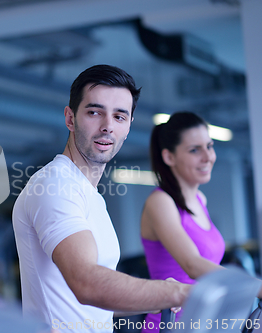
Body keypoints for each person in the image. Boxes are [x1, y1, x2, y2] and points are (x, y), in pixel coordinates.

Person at [12, 65, 190, 333]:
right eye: (95, 112)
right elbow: (86, 284)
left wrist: (153, 296)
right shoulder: (54, 185)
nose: (107, 126)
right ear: (70, 119)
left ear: (129, 126)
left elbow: (95, 300)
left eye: (119, 117)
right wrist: (172, 291)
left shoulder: (90, 195)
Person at [140, 111, 262, 332]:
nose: (208, 157)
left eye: (210, 146)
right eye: (195, 150)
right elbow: (192, 265)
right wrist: (254, 286)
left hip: (207, 323)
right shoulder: (160, 202)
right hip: (171, 325)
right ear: (169, 157)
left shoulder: (200, 201)